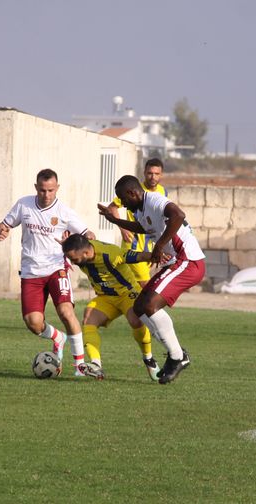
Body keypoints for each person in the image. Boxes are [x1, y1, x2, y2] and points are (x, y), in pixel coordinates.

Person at [98, 175, 206, 384]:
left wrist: (158, 246)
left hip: (188, 261)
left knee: (149, 305)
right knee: (139, 309)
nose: (123, 203)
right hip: (176, 262)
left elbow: (178, 215)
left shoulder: (154, 200)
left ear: (132, 193)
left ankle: (177, 357)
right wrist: (115, 221)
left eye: (123, 198)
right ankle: (176, 353)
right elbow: (144, 228)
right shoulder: (139, 209)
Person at [0, 169, 95, 374]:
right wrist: (1, 230)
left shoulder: (65, 213)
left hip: (56, 269)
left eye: (50, 190)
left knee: (66, 313)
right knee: (34, 323)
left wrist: (75, 245)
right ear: (36, 188)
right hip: (31, 272)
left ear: (57, 188)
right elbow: (5, 224)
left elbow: (89, 235)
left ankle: (79, 366)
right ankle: (58, 338)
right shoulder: (24, 205)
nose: (46, 195)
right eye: (42, 190)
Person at [61, 233, 160, 381]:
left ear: (86, 253)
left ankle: (148, 358)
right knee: (89, 319)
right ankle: (95, 365)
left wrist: (157, 255)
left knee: (136, 321)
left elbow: (137, 256)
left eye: (74, 259)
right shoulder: (82, 252)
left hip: (128, 294)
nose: (73, 263)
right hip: (105, 297)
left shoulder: (111, 254)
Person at [106, 158, 167, 287]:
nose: (153, 177)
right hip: (133, 244)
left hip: (149, 246)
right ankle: (154, 307)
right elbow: (112, 207)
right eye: (150, 173)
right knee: (146, 286)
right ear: (144, 172)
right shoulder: (134, 189)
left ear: (161, 175)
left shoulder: (163, 192)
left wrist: (158, 246)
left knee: (135, 287)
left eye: (157, 174)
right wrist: (123, 229)